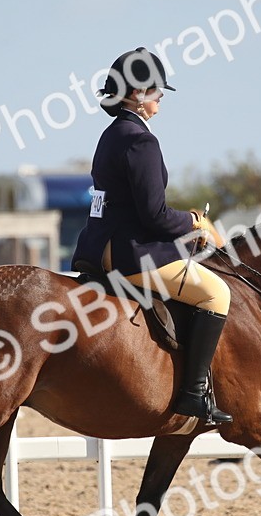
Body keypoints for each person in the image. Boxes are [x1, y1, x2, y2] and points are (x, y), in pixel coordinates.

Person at [71, 47, 232, 425]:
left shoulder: (111, 135)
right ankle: (193, 394)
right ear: (136, 94)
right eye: (156, 90)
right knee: (217, 293)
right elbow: (155, 215)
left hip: (100, 246)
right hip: (130, 253)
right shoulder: (141, 141)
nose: (161, 97)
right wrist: (195, 223)